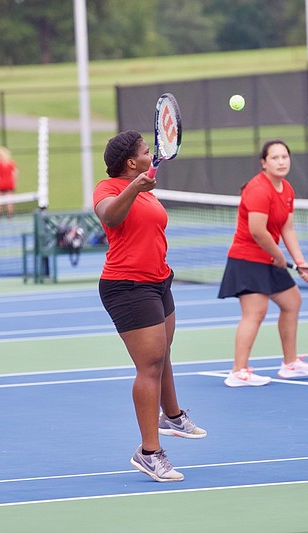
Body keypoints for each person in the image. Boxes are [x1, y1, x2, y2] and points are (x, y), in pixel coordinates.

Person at [94, 130, 206, 482]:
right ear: (131, 162)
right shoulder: (108, 188)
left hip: (159, 281)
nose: (151, 152)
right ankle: (149, 452)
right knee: (150, 364)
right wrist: (135, 188)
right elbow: (110, 218)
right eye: (145, 150)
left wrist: (142, 188)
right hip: (127, 286)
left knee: (163, 354)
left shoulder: (146, 189)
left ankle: (172, 415)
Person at [218, 140, 308, 387]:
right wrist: (278, 255)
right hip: (247, 258)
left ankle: (290, 364)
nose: (281, 162)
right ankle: (238, 371)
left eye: (284, 157)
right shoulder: (257, 189)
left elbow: (287, 227)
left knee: (292, 302)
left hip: (267, 257)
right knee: (255, 313)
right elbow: (258, 231)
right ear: (263, 162)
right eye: (275, 158)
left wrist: (300, 261)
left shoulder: (286, 189)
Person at [0, 146, 17, 219]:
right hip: (9, 186)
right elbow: (15, 174)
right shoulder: (11, 163)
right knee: (9, 202)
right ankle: (10, 216)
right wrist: (14, 183)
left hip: (1, 186)